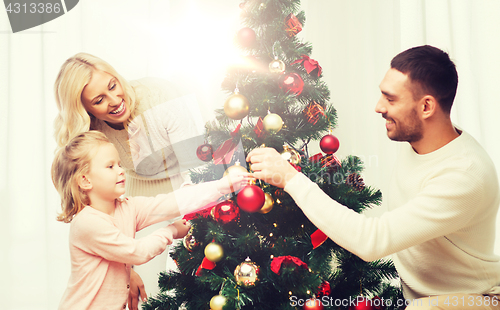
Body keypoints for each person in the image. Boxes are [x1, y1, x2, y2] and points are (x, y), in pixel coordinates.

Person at [247, 45, 500, 309]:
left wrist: (291, 179)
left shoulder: (464, 175)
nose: (379, 107)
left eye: (391, 100)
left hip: (475, 300)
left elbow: (371, 241)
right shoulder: (422, 139)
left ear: (426, 106)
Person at [53, 53, 209, 309]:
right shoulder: (87, 130)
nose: (115, 101)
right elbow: (97, 214)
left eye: (113, 86)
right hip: (133, 184)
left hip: (185, 175)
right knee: (156, 287)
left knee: (195, 266)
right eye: (99, 100)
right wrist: (127, 271)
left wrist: (195, 217)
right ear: (85, 110)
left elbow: (198, 168)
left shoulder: (160, 97)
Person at [52, 131, 248, 310]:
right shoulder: (87, 223)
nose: (120, 171)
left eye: (119, 164)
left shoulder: (128, 207)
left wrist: (222, 186)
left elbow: (171, 202)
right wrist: (171, 231)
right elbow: (137, 252)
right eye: (110, 166)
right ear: (85, 181)